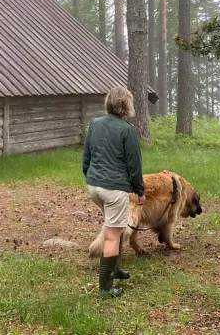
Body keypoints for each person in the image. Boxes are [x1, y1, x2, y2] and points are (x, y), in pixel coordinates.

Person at [82, 86, 145, 298]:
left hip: (94, 187)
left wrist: (91, 177)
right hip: (114, 190)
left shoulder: (95, 124)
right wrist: (139, 190)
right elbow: (134, 165)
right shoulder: (126, 130)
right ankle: (105, 288)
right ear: (126, 105)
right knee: (111, 236)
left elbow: (87, 157)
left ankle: (116, 268)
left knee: (115, 229)